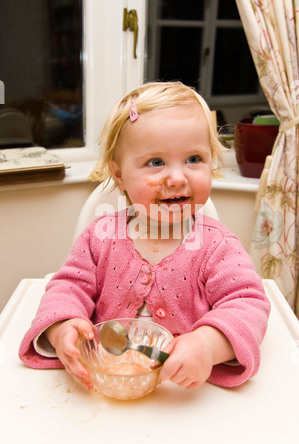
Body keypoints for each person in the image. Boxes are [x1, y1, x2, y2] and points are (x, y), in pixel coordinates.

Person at [19, 82, 271, 391]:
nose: (177, 178)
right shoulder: (99, 238)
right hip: (105, 383)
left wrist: (208, 344)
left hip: (184, 395)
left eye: (194, 159)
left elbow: (247, 304)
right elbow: (67, 288)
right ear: (119, 175)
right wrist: (61, 329)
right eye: (156, 162)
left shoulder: (218, 247)